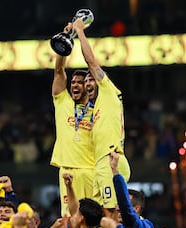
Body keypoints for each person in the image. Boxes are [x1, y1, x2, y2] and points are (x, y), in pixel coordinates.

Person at [72, 17, 131, 211]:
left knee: (110, 213)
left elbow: (91, 61)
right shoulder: (95, 108)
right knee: (97, 215)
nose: (88, 83)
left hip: (109, 159)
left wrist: (80, 31)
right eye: (86, 81)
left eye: (91, 79)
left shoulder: (109, 91)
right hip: (99, 164)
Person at [50, 23, 95, 216]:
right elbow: (59, 71)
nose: (75, 85)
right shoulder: (63, 103)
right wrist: (64, 42)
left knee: (93, 219)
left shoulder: (98, 110)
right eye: (73, 82)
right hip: (67, 171)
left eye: (80, 82)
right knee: (69, 219)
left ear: (88, 86)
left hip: (92, 170)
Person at [110, 152, 158, 228]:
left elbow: (125, 207)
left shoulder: (144, 226)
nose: (117, 208)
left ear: (136, 209)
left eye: (122, 208)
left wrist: (115, 171)